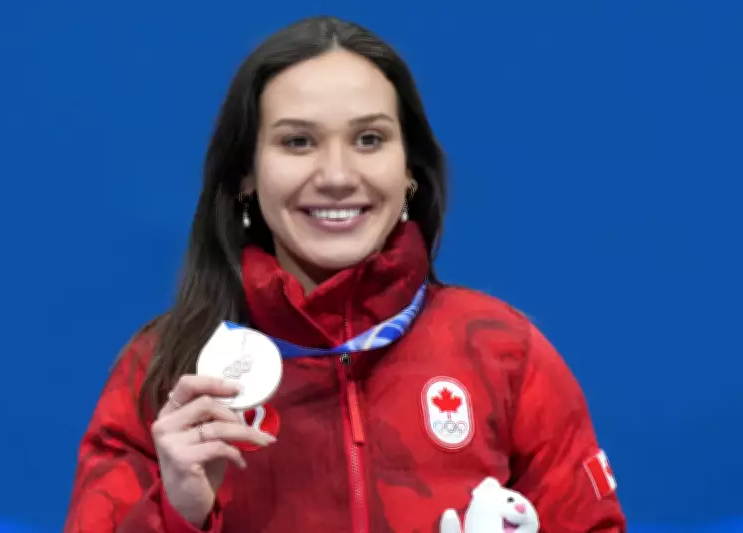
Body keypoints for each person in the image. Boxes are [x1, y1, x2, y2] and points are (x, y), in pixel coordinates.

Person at [64, 15, 626, 533]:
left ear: (409, 170)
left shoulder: (503, 352)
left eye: (369, 139)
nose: (336, 175)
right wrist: (177, 511)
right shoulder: (162, 372)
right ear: (246, 176)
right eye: (297, 141)